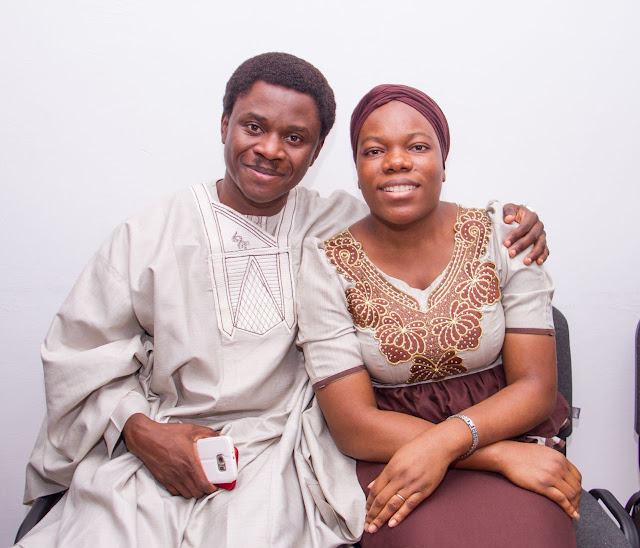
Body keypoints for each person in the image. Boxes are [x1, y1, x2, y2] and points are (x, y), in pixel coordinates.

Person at [17, 55, 548, 547]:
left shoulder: (339, 225)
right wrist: (141, 433)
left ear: (317, 152)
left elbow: (423, 213)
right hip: (161, 438)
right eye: (253, 127)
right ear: (224, 124)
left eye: (295, 138)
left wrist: (516, 223)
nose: (271, 149)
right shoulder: (147, 235)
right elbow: (78, 357)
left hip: (287, 452)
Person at [296, 84, 580, 548]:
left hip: (512, 432)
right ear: (358, 172)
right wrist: (496, 456)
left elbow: (536, 387)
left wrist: (447, 444)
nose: (396, 161)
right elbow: (352, 424)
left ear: (443, 163)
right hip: (393, 455)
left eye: (417, 146)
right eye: (374, 151)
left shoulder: (505, 236)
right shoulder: (326, 264)